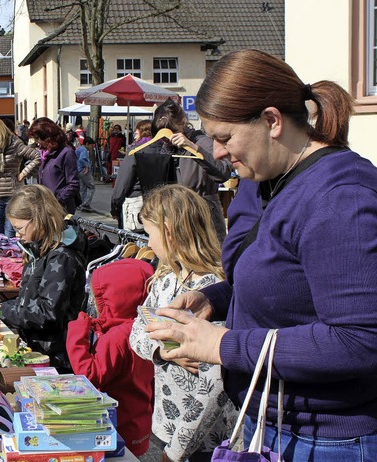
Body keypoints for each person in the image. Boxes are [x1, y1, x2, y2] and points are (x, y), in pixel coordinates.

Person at [145, 49, 377, 461]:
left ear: (272, 121)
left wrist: (224, 346)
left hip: (326, 440)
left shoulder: (341, 199)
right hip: (267, 423)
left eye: (224, 136)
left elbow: (360, 340)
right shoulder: (261, 177)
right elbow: (284, 280)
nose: (215, 151)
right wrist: (216, 299)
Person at [129, 184, 236, 462]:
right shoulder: (165, 278)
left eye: (150, 234)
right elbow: (136, 332)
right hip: (166, 422)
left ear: (169, 232)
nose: (148, 244)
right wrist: (164, 352)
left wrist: (176, 451)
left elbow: (216, 385)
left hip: (205, 440)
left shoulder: (214, 291)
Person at [67, 258, 155, 456]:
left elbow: (88, 375)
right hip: (138, 422)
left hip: (116, 425)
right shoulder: (142, 328)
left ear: (111, 299)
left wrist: (77, 332)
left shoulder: (116, 338)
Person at [0, 185, 87, 372]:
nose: (17, 235)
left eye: (19, 228)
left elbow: (48, 312)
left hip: (55, 356)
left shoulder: (62, 257)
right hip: (38, 348)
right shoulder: (38, 248)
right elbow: (30, 300)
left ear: (38, 220)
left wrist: (4, 310)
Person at [154, 99, 233, 243]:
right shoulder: (164, 149)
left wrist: (194, 149)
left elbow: (224, 171)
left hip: (205, 217)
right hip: (178, 218)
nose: (167, 139)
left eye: (172, 132)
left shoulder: (202, 141)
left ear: (183, 122)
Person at [28, 117, 80, 214]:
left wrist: (56, 198)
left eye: (38, 138)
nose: (37, 142)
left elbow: (73, 185)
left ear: (47, 137)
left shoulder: (66, 153)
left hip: (60, 208)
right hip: (45, 207)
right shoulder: (45, 154)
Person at [75, 136, 95, 212]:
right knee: (91, 186)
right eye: (90, 145)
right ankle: (86, 204)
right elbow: (82, 158)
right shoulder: (84, 150)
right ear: (87, 144)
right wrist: (86, 166)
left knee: (82, 188)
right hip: (83, 170)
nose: (91, 147)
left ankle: (82, 203)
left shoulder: (79, 149)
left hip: (78, 170)